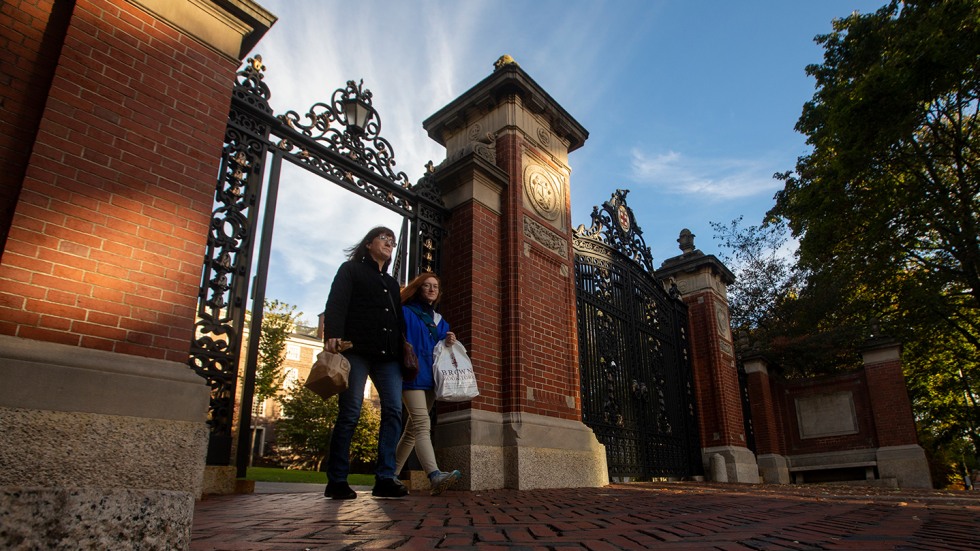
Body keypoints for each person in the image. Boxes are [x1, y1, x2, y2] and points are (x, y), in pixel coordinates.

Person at [322, 226, 408, 499]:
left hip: (388, 357)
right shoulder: (350, 270)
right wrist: (332, 333)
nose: (389, 244)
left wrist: (403, 346)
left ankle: (385, 477)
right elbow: (336, 302)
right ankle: (336, 480)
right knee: (351, 412)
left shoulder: (392, 284)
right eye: (384, 238)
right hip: (356, 350)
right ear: (369, 243)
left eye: (393, 242)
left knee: (394, 410)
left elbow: (397, 320)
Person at [394, 272, 463, 495]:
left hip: (432, 378)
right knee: (422, 424)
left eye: (435, 286)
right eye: (427, 286)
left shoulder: (440, 320)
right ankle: (434, 476)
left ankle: (388, 475)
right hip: (411, 374)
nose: (432, 290)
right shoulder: (404, 312)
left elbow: (443, 346)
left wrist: (450, 339)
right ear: (418, 288)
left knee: (412, 431)